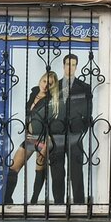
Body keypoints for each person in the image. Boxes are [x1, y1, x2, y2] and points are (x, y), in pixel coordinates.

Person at [3, 70, 60, 204]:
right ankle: (7, 200)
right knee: (13, 168)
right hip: (30, 138)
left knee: (39, 170)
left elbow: (54, 121)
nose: (45, 86)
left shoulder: (51, 100)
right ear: (40, 80)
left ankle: (34, 201)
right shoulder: (33, 93)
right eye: (44, 81)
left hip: (43, 139)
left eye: (50, 84)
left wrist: (48, 141)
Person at [48, 53, 93, 204]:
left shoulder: (84, 87)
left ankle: (79, 204)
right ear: (63, 65)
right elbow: (48, 110)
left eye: (73, 65)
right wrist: (50, 131)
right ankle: (58, 205)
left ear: (76, 67)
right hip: (56, 135)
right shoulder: (54, 86)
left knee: (76, 172)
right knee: (57, 172)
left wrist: (81, 130)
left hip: (75, 134)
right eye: (68, 64)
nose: (70, 68)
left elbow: (88, 112)